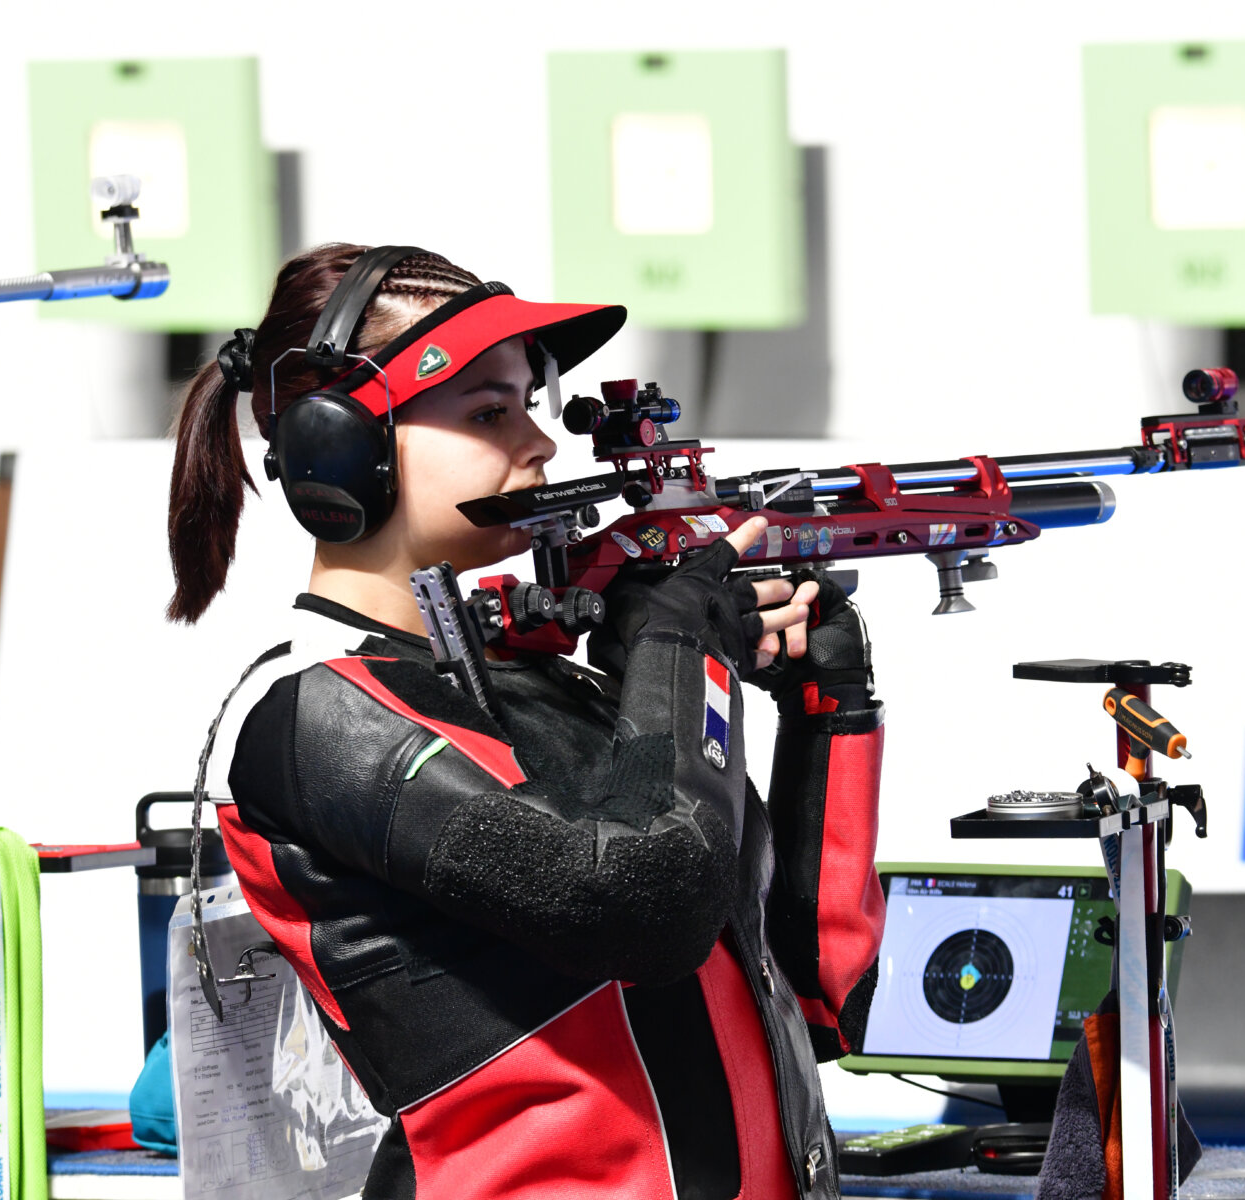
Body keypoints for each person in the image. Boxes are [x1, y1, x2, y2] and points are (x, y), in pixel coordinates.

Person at [165, 244, 886, 1200]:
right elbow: (642, 908)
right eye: (489, 412)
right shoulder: (315, 715)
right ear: (339, 448)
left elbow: (811, 992)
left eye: (530, 406)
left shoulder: (547, 684)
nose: (541, 443)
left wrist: (829, 711)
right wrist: (682, 650)